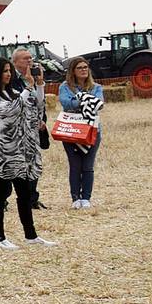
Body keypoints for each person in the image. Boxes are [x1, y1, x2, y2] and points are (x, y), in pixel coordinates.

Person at [0, 58, 54, 249]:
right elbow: (11, 111)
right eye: (4, 71)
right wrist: (28, 88)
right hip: (2, 154)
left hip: (20, 152)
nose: (8, 74)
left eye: (9, 71)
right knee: (0, 195)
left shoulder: (13, 92)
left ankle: (30, 235)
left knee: (24, 194)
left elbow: (36, 105)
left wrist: (38, 85)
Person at [58, 56, 104, 209]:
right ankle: (75, 197)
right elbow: (65, 103)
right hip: (71, 130)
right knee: (75, 165)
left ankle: (86, 198)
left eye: (85, 67)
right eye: (80, 68)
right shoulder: (64, 87)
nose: (84, 70)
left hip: (92, 131)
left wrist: (79, 99)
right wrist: (85, 100)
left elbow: (99, 104)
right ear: (73, 71)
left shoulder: (96, 87)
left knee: (88, 166)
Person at [11, 46, 49, 210]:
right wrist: (29, 85)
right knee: (15, 166)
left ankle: (32, 199)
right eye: (25, 58)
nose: (29, 61)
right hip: (16, 131)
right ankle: (4, 199)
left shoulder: (33, 77)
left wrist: (39, 84)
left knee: (34, 164)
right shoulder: (10, 79)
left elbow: (39, 102)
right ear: (15, 62)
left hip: (32, 130)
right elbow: (17, 104)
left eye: (30, 58)